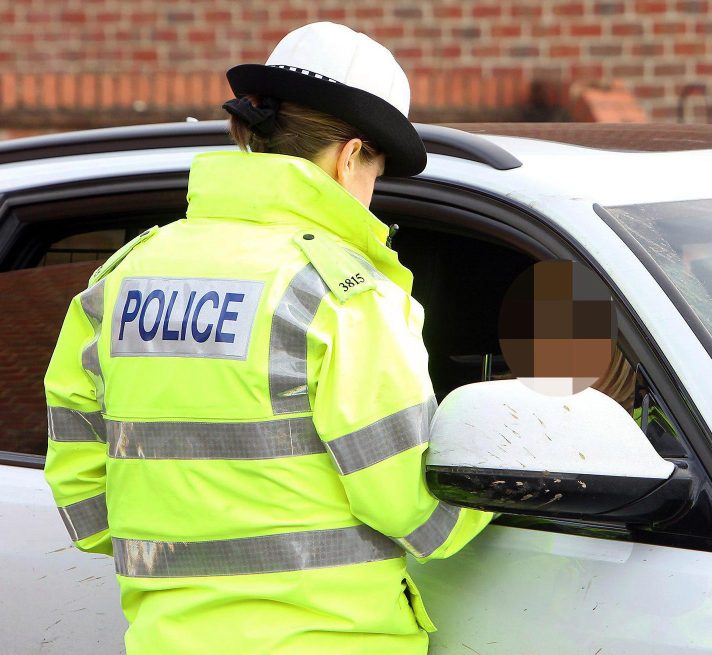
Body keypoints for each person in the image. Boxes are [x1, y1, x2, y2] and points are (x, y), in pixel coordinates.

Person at [43, 22, 492, 655]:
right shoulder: (343, 294)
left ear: (244, 134)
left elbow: (87, 506)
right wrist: (506, 491)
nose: (370, 196)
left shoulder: (124, 276)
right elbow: (412, 510)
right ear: (349, 156)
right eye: (376, 174)